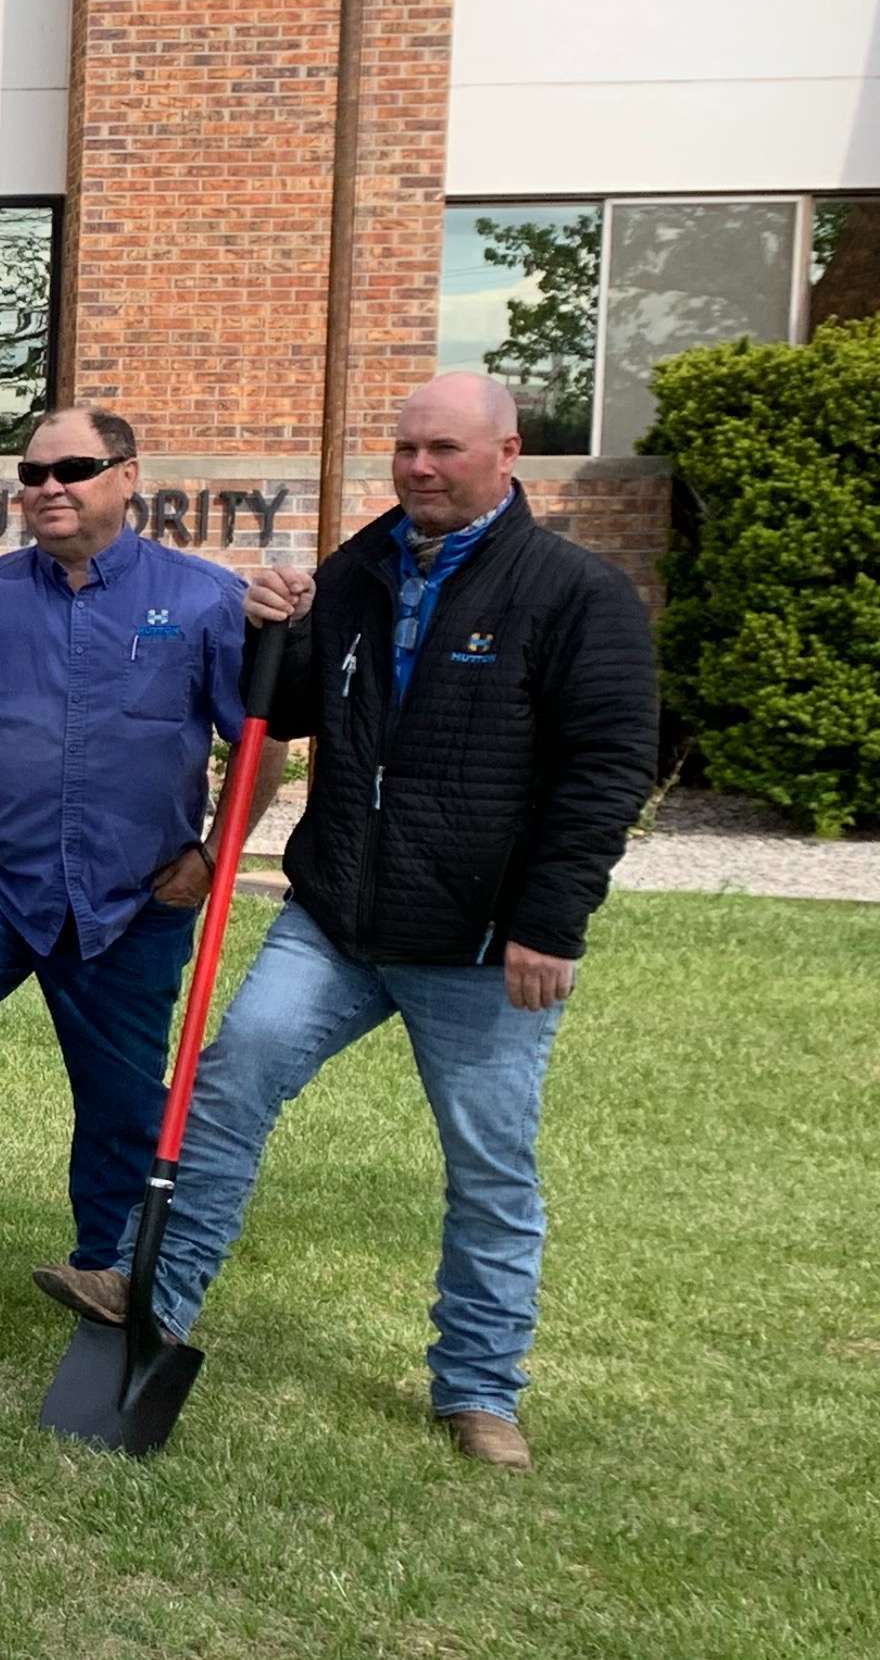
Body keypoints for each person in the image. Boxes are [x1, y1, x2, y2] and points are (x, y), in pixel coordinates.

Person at [68, 372, 654, 1471]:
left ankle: (479, 1386)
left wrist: (550, 920)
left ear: (508, 451)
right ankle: (155, 1300)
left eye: (444, 448)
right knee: (231, 1080)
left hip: (479, 941)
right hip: (336, 916)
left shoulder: (575, 592)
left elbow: (606, 769)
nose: (421, 467)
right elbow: (285, 711)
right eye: (406, 449)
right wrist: (268, 630)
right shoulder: (363, 569)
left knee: (488, 1162)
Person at [0, 408, 267, 1288]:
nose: (49, 488)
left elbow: (263, 743)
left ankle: (107, 1263)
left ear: (129, 475)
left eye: (73, 468)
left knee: (120, 1088)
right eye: (33, 475)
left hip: (137, 889)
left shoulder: (204, 598)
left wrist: (217, 855)